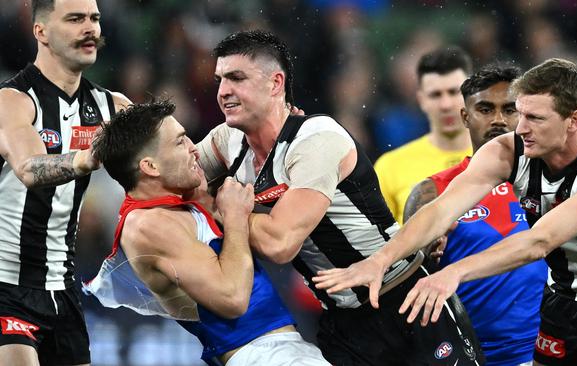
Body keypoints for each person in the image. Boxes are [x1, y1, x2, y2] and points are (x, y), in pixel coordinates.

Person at [313, 58, 577, 366]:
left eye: (535, 118)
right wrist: (380, 259)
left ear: (574, 120)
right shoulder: (506, 151)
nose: (520, 128)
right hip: (566, 297)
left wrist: (453, 273)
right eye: (522, 114)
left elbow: (540, 241)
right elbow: (441, 209)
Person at [196, 30, 484, 366]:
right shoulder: (226, 140)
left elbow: (280, 243)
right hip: (342, 322)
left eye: (236, 78)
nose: (223, 92)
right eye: (220, 80)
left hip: (405, 299)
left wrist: (218, 205)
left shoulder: (316, 138)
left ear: (275, 84)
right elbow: (173, 173)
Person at [84, 100, 330, 366]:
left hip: (282, 350)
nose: (194, 148)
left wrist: (282, 128)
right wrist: (234, 218)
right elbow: (233, 298)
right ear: (150, 167)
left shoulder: (179, 202)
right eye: (180, 142)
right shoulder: (146, 225)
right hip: (261, 355)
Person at [0, 0, 130, 364]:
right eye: (75, 19)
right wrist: (87, 157)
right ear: (40, 31)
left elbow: (176, 156)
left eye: (94, 19)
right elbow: (29, 168)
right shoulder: (12, 100)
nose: (90, 28)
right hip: (6, 284)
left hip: (63, 290)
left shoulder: (112, 107)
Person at [403, 64, 547, 366]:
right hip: (471, 357)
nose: (497, 120)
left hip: (550, 352)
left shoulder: (556, 181)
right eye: (485, 109)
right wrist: (424, 254)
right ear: (465, 117)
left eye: (509, 109)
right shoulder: (433, 193)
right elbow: (409, 279)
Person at [373, 46, 473, 224]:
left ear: (472, 95)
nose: (445, 104)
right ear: (421, 100)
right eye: (435, 95)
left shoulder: (502, 157)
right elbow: (378, 241)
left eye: (453, 92)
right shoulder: (390, 167)